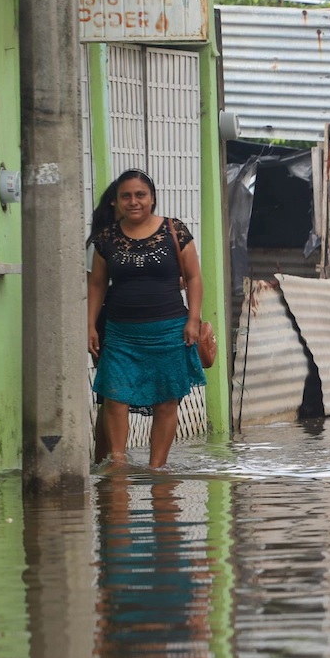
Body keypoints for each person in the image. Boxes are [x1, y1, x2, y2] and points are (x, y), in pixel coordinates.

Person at [87, 169, 206, 468]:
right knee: (115, 398)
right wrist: (90, 325)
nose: (133, 201)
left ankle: (157, 469)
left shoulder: (174, 231)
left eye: (140, 195)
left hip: (169, 331)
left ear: (152, 198)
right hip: (120, 334)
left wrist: (193, 320)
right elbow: (97, 284)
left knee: (166, 401)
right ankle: (117, 464)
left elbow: (194, 277)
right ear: (116, 201)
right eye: (126, 196)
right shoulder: (106, 239)